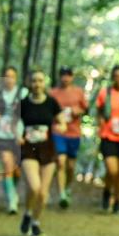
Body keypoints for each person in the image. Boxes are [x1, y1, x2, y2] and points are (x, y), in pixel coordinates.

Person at [18, 69, 67, 236]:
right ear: (29, 83)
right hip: (29, 148)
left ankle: (35, 222)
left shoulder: (51, 103)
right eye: (34, 81)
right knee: (34, 187)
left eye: (40, 80)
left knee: (43, 192)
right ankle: (27, 212)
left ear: (44, 83)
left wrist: (61, 126)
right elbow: (13, 123)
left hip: (47, 148)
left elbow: (62, 120)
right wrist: (17, 135)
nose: (37, 84)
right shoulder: (23, 104)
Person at [95, 65, 119, 214]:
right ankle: (107, 191)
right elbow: (99, 111)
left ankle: (118, 201)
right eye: (116, 76)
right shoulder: (105, 93)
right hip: (108, 136)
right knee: (112, 170)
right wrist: (100, 122)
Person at [0, 66, 26, 214]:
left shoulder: (23, 93)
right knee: (6, 163)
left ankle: (12, 191)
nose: (9, 79)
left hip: (19, 135)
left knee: (17, 170)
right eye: (6, 76)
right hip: (1, 134)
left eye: (12, 76)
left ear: (16, 78)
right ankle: (11, 201)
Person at [49, 65, 88, 209]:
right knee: (60, 162)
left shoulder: (78, 92)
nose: (65, 78)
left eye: (68, 75)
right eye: (63, 75)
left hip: (74, 133)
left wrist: (77, 110)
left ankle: (67, 187)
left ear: (72, 77)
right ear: (59, 76)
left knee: (70, 166)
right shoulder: (52, 93)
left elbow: (86, 109)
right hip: (58, 132)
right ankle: (62, 195)